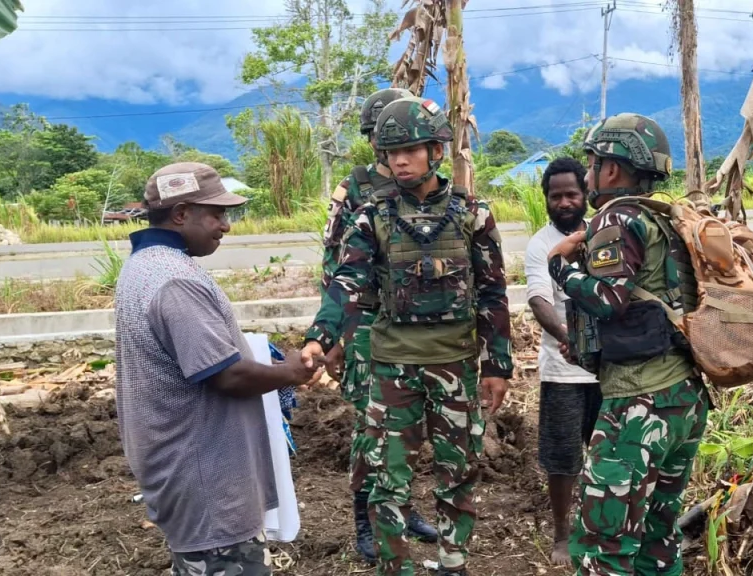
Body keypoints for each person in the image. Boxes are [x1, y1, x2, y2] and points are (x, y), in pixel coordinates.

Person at [301, 96, 513, 576]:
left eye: (411, 150)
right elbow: (347, 283)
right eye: (390, 152)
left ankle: (452, 563)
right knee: (386, 479)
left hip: (456, 365)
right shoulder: (370, 217)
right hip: (392, 370)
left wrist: (499, 365)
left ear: (435, 151)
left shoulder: (472, 213)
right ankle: (395, 568)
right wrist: (320, 335)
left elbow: (493, 293)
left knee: (457, 474)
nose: (398, 160)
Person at [114, 162, 321, 576]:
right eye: (217, 213)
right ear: (181, 214)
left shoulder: (145, 266)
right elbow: (228, 376)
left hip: (188, 471)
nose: (225, 225)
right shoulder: (174, 280)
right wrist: (294, 372)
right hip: (208, 481)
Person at [546, 114, 710, 576]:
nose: (587, 172)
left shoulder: (617, 217)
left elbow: (610, 298)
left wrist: (561, 266)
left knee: (603, 547)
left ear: (612, 169)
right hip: (683, 398)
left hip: (639, 405)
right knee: (658, 537)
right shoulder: (662, 217)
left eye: (592, 162)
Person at [309, 87, 437, 564]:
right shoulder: (358, 186)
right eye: (390, 137)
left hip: (418, 329)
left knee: (410, 425)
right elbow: (334, 264)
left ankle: (402, 507)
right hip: (366, 327)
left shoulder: (432, 185)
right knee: (372, 430)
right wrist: (339, 334)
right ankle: (366, 519)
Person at [523, 157, 602, 567]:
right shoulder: (541, 245)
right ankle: (561, 535)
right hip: (564, 372)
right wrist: (569, 339)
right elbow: (539, 299)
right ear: (547, 200)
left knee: (613, 456)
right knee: (562, 458)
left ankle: (607, 529)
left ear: (585, 193)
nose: (565, 202)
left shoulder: (606, 234)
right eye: (556, 196)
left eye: (572, 193)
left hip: (612, 371)